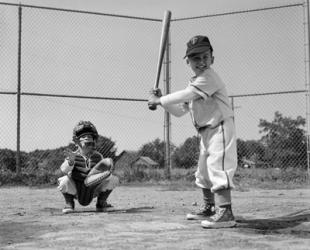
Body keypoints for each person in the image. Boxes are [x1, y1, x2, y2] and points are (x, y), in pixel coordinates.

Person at [148, 35, 237, 228]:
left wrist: (159, 101)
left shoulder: (209, 78)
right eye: (196, 58)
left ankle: (226, 212)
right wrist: (163, 101)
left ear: (212, 58)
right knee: (203, 172)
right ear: (188, 61)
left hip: (220, 127)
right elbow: (180, 110)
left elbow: (187, 94)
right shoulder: (195, 83)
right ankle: (210, 208)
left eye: (205, 56)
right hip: (205, 133)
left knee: (218, 168)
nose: (202, 62)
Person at [57, 120, 119, 214]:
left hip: (93, 190)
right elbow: (64, 170)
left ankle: (101, 203)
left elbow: (102, 172)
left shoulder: (98, 156)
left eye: (91, 140)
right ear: (77, 141)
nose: (89, 141)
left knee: (113, 179)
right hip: (76, 190)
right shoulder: (73, 155)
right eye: (85, 139)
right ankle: (69, 203)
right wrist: (71, 161)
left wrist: (107, 171)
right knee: (64, 180)